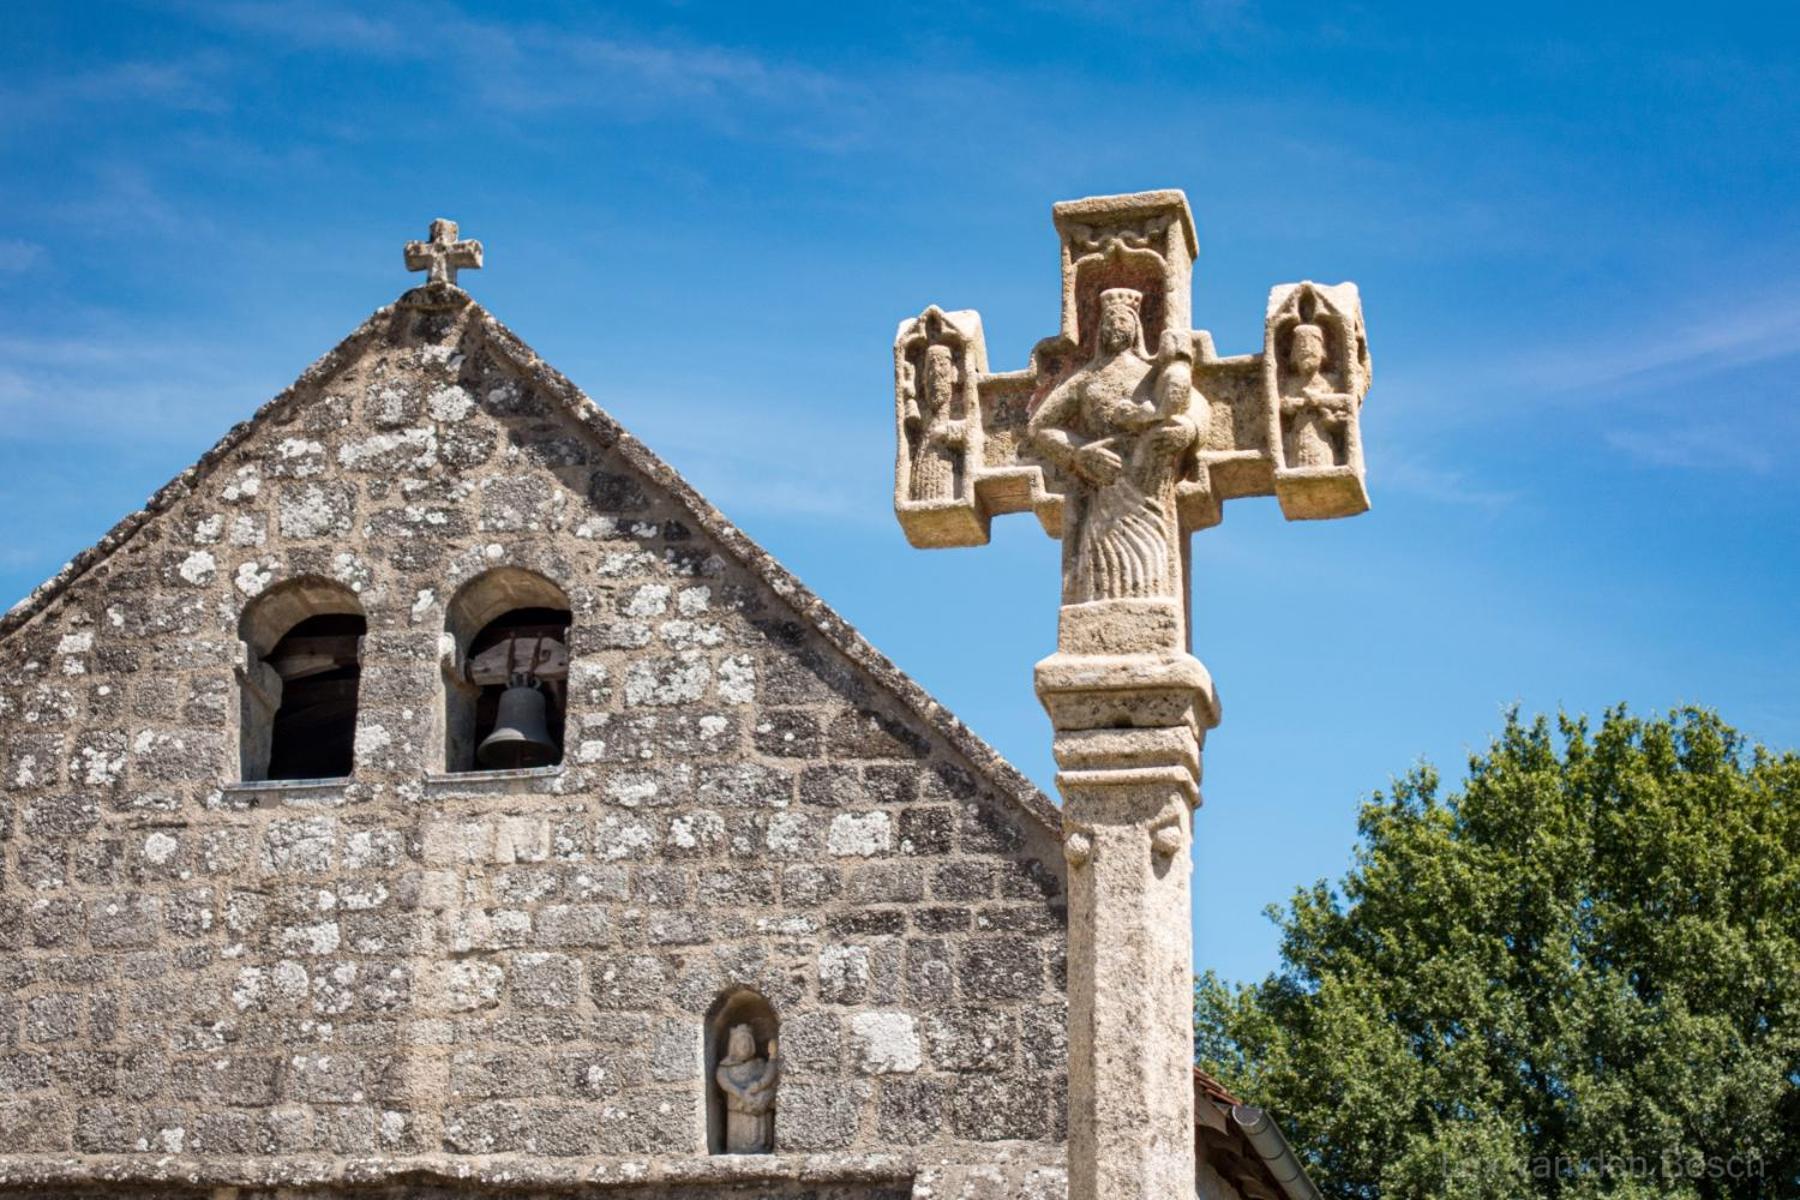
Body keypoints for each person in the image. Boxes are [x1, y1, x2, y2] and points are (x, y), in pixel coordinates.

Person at [1026, 287, 1198, 602]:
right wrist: (1079, 454)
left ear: (1136, 327)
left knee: (1149, 569)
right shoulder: (1085, 379)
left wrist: (1172, 424)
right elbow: (1040, 426)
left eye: (1123, 318)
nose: (1115, 325)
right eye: (1109, 319)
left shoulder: (1152, 374)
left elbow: (1187, 413)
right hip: (1103, 487)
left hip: (1146, 486)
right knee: (1102, 574)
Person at [715, 1024, 779, 1153]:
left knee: (759, 1138)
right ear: (733, 1045)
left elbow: (770, 1078)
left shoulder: (760, 1064)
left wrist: (772, 1057)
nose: (744, 1045)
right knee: (739, 1142)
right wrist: (741, 1094)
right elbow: (725, 1083)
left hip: (759, 1112)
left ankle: (763, 1148)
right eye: (740, 1042)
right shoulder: (725, 1068)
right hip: (737, 1112)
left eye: (747, 1041)